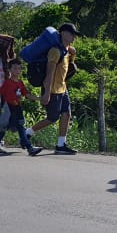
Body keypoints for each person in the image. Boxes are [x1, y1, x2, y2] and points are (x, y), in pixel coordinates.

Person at [26, 22, 80, 154]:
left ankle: (61, 145)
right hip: (52, 89)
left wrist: (72, 54)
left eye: (74, 34)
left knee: (66, 114)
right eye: (71, 34)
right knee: (52, 118)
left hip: (62, 88)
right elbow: (49, 73)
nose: (73, 36)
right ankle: (27, 133)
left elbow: (68, 67)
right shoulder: (55, 51)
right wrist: (46, 93)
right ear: (63, 33)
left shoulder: (67, 50)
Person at [0, 59, 43, 156]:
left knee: (9, 127)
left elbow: (27, 94)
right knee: (18, 127)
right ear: (9, 70)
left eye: (19, 68)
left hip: (17, 107)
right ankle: (29, 148)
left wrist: (39, 98)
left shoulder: (20, 83)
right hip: (9, 107)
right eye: (15, 68)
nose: (18, 71)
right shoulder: (7, 83)